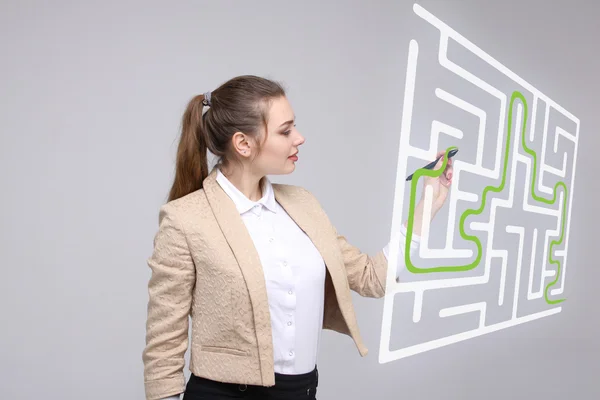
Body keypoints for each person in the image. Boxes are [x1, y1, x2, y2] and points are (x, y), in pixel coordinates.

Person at [142, 75, 453, 400]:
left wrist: (429, 202)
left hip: (301, 392)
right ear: (243, 144)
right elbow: (164, 345)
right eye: (285, 130)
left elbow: (373, 278)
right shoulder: (185, 219)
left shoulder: (304, 204)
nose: (300, 138)